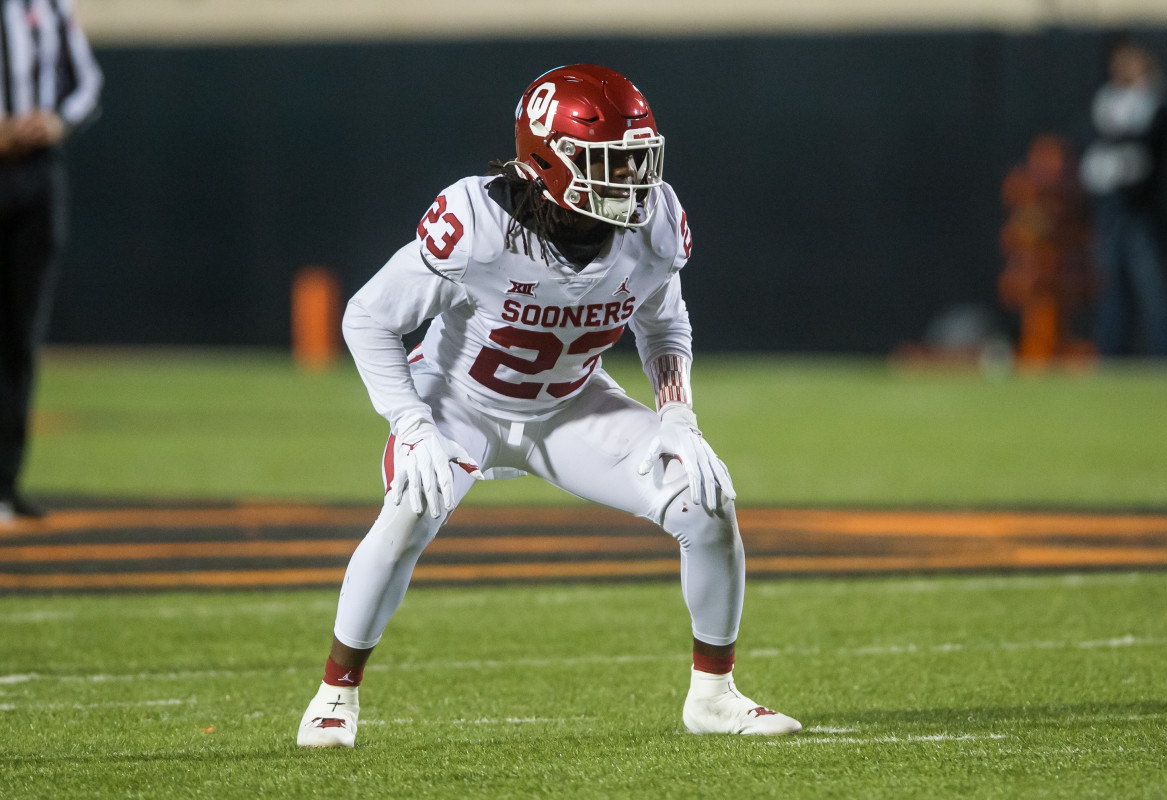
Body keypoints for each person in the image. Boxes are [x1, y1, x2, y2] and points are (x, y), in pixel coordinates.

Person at [296, 64, 801, 747]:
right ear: (547, 162)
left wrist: (677, 413)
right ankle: (335, 695)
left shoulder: (652, 225)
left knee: (704, 499)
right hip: (459, 404)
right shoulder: (478, 223)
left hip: (568, 404)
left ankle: (713, 694)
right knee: (412, 506)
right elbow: (367, 318)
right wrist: (411, 423)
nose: (631, 183)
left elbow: (663, 323)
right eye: (609, 163)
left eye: (636, 161)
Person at [0, 0, 103, 520]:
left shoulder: (47, 7)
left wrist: (56, 121)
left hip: (37, 176)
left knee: (20, 337)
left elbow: (87, 83)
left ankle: (5, 482)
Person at [1079, 36, 1167, 357]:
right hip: (1113, 211)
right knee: (1110, 288)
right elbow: (1099, 156)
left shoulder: (1159, 105)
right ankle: (1110, 356)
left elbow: (1148, 155)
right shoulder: (1108, 104)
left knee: (1154, 290)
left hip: (1144, 213)